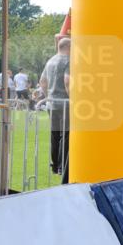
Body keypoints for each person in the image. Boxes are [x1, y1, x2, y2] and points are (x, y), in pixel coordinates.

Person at [39, 36, 71, 183]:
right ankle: (61, 166)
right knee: (65, 135)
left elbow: (42, 82)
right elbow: (67, 81)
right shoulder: (68, 60)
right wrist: (73, 99)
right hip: (65, 103)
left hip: (51, 102)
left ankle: (55, 165)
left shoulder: (50, 61)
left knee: (55, 134)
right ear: (68, 48)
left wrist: (47, 97)